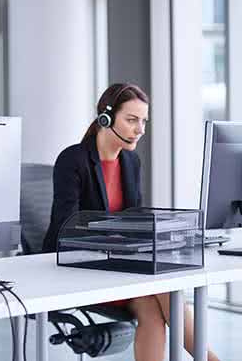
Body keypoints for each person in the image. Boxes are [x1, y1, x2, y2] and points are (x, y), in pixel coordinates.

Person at [42, 83, 219, 361]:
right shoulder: (73, 160)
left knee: (152, 305)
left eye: (144, 121)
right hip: (79, 266)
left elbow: (132, 220)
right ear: (106, 118)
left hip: (119, 265)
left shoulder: (131, 162)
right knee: (165, 288)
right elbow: (65, 228)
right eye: (132, 120)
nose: (141, 130)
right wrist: (117, 240)